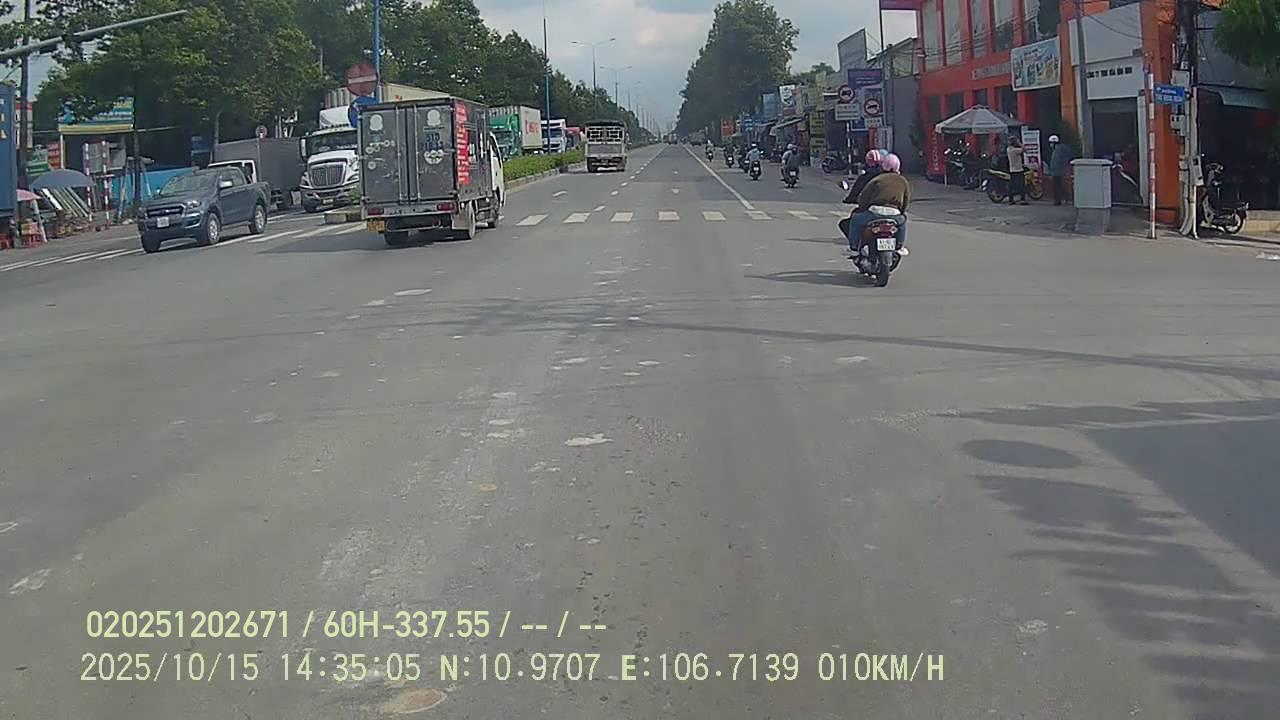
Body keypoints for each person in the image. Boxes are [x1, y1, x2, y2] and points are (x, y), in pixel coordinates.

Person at [846, 152, 910, 255]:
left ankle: (853, 248)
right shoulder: (903, 181)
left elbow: (863, 197)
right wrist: (901, 212)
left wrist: (862, 208)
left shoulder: (877, 179)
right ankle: (899, 246)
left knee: (855, 220)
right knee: (902, 222)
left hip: (875, 213)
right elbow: (905, 201)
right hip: (894, 214)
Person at [1045, 134, 1073, 206]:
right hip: (1059, 170)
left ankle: (1058, 200)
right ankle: (1064, 197)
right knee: (1059, 186)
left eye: (1051, 143)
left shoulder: (1058, 150)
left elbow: (1055, 162)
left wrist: (1051, 170)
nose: (1050, 145)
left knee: (1056, 186)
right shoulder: (1059, 149)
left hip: (1057, 171)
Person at [1006, 136, 1028, 204]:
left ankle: (1011, 200)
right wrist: (1019, 143)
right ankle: (1022, 200)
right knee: (1022, 185)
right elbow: (1025, 150)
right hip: (1018, 170)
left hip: (1012, 170)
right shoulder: (1015, 150)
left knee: (1012, 185)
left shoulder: (1008, 149)